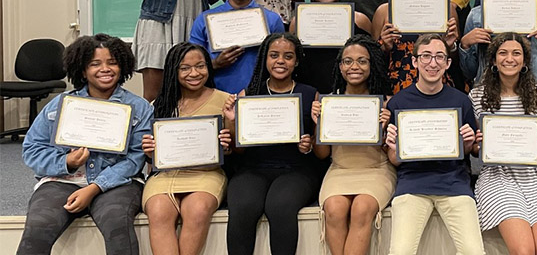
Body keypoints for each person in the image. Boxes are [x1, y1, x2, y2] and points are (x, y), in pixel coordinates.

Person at [18, 34, 152, 255]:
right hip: (62, 180)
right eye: (95, 64)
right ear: (82, 70)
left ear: (123, 66)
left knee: (118, 225)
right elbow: (32, 149)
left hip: (117, 182)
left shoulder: (139, 107)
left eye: (112, 62)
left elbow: (135, 159)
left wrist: (94, 187)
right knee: (37, 228)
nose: (105, 69)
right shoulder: (59, 105)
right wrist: (66, 162)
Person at [223, 33, 326, 255]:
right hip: (253, 168)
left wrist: (307, 144)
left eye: (288, 56)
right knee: (243, 207)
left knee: (280, 206)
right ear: (265, 59)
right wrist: (231, 121)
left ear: (296, 61)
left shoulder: (310, 94)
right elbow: (239, 149)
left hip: (297, 170)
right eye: (274, 55)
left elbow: (319, 153)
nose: (281, 61)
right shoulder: (248, 94)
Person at [384, 34, 485, 254]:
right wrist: (394, 147)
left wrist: (468, 142)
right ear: (414, 61)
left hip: (454, 183)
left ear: (448, 63)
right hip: (412, 185)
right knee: (400, 252)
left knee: (474, 252)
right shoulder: (399, 102)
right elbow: (394, 160)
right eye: (426, 56)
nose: (433, 63)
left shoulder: (461, 100)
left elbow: (468, 151)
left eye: (440, 57)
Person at [468, 33, 537, 255]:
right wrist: (478, 144)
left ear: (524, 60)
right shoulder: (477, 96)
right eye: (502, 53)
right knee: (523, 250)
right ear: (493, 60)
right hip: (497, 176)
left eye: (516, 53)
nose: (509, 59)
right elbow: (474, 150)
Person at [141, 43, 232, 255]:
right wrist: (149, 152)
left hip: (206, 174)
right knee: (158, 211)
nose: (194, 73)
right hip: (165, 175)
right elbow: (149, 157)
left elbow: (235, 149)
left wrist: (228, 143)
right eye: (185, 68)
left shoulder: (225, 100)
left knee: (198, 210)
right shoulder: (160, 104)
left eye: (200, 66)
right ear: (174, 71)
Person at [312, 35, 395, 255]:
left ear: (372, 65)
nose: (354, 66)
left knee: (362, 208)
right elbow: (321, 155)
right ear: (340, 67)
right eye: (348, 61)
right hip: (340, 170)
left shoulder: (385, 103)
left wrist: (386, 127)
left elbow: (392, 154)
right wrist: (318, 123)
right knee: (334, 209)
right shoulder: (328, 103)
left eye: (362, 61)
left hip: (376, 170)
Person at [189, 0, 285, 94]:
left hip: (261, 96)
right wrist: (216, 64)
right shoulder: (205, 19)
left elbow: (281, 60)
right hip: (215, 95)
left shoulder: (272, 20)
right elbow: (191, 63)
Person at [371, 0, 461, 93]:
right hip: (396, 87)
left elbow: (456, 61)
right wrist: (384, 46)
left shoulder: (446, 8)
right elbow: (373, 59)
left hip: (439, 85)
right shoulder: (383, 11)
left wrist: (451, 46)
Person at [290, 0, 372, 94]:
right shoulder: (297, 21)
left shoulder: (360, 20)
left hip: (351, 91)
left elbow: (371, 58)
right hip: (310, 88)